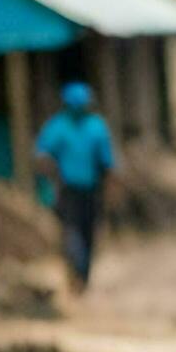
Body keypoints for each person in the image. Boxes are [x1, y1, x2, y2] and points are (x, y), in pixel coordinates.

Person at [35, 81, 114, 291]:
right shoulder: (91, 126)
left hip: (80, 190)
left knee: (79, 232)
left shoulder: (61, 126)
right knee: (78, 233)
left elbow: (41, 156)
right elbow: (107, 164)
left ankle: (79, 277)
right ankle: (79, 275)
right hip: (75, 190)